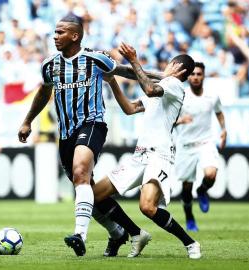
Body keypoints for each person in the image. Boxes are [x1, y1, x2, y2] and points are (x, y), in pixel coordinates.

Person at [18, 14, 161, 257]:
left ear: (75, 35)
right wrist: (27, 121)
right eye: (54, 32)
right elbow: (43, 92)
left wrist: (162, 77)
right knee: (88, 192)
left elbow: (125, 71)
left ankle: (79, 235)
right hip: (65, 134)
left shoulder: (95, 59)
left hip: (92, 124)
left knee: (80, 172)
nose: (55, 37)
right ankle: (127, 233)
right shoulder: (49, 64)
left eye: (60, 32)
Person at [92, 42, 201, 259]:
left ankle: (190, 243)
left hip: (159, 155)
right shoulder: (162, 86)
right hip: (140, 156)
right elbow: (130, 108)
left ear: (175, 65)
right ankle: (135, 233)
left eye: (168, 63)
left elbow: (149, 87)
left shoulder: (174, 86)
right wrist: (112, 78)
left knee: (148, 207)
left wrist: (134, 59)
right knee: (94, 196)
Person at [172, 62, 227, 232]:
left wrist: (224, 130)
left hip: (206, 142)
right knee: (186, 189)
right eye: (192, 74)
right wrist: (181, 120)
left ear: (204, 76)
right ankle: (189, 216)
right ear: (188, 76)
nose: (195, 77)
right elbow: (168, 120)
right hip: (185, 146)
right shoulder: (180, 96)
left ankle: (202, 190)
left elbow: (218, 112)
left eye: (199, 74)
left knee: (210, 174)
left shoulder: (212, 96)